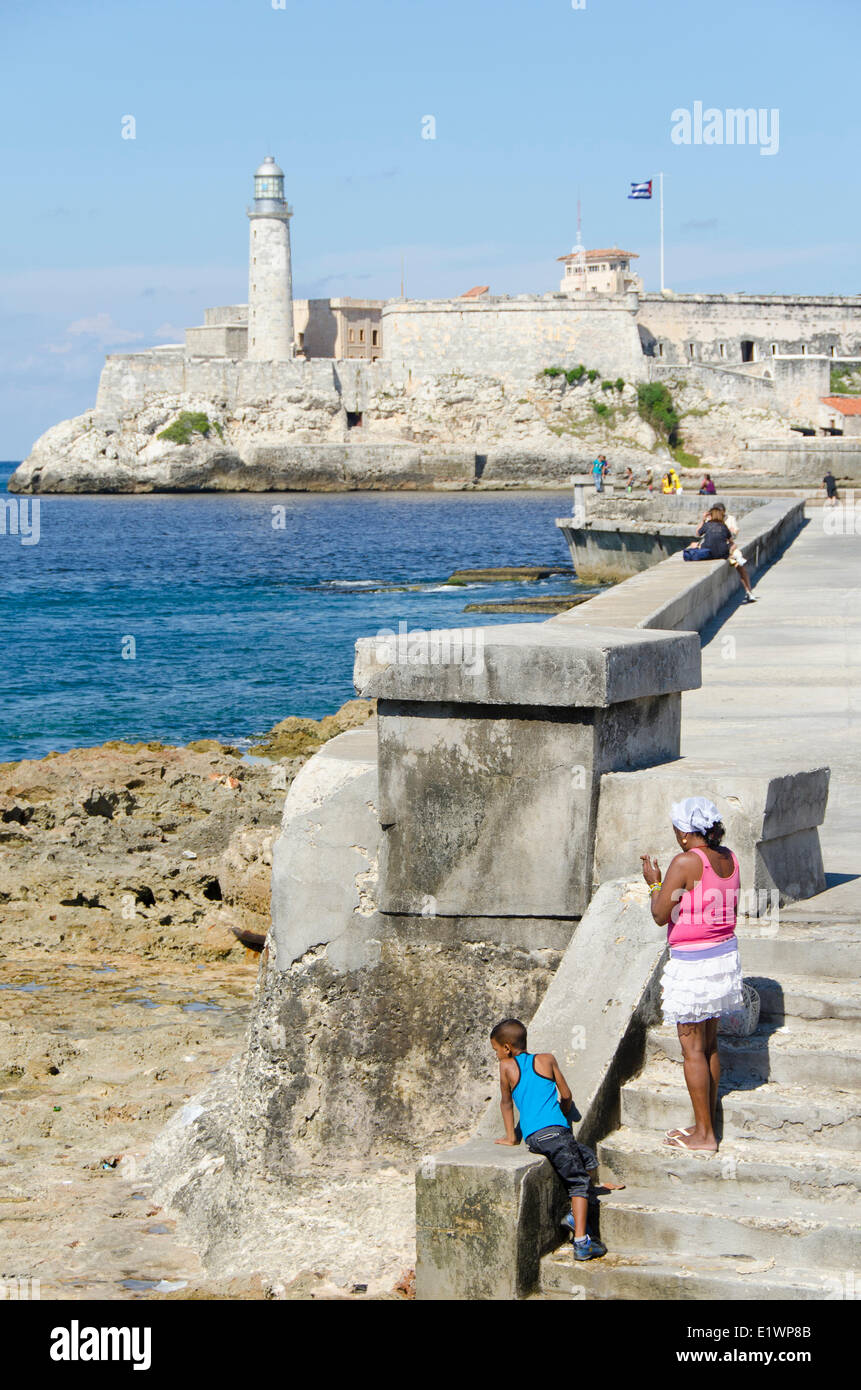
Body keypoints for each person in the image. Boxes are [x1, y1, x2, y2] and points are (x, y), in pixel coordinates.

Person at [640, 798, 745, 1153]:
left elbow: (659, 914)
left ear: (685, 833)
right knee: (710, 1045)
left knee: (692, 1051)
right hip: (723, 958)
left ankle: (704, 1136)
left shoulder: (685, 862)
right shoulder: (728, 858)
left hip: (693, 964)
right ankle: (706, 1125)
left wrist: (654, 883)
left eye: (675, 831)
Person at [491, 1018, 624, 1259]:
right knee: (578, 1183)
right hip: (557, 1133)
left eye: (496, 1050)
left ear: (508, 1048)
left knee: (586, 1156)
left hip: (534, 1139)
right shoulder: (546, 1059)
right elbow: (566, 1094)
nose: (497, 1054)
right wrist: (565, 1110)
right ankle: (582, 1242)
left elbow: (506, 1102)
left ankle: (586, 1201)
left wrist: (511, 1137)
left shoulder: (507, 1067)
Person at [710, 503, 757, 602]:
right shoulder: (710, 519)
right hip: (717, 547)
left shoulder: (730, 519)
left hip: (728, 546)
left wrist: (730, 534)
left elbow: (734, 535)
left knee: (740, 567)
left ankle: (749, 592)